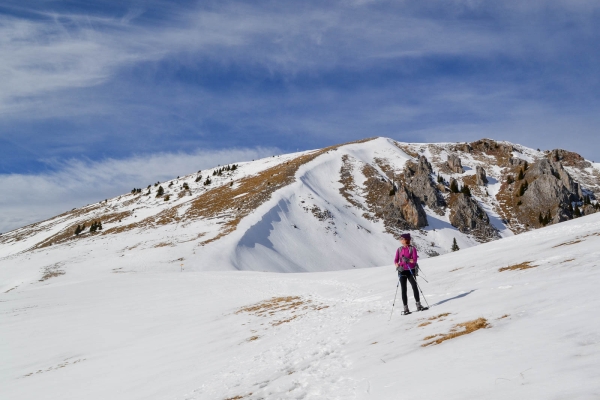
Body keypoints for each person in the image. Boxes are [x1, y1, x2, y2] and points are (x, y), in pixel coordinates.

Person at [394, 233, 424, 314]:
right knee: (404, 289)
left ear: (406, 239)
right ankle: (406, 308)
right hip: (402, 270)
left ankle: (418, 305)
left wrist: (408, 260)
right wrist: (398, 267)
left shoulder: (412, 248)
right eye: (400, 239)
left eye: (402, 239)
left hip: (411, 270)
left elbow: (414, 260)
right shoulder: (399, 249)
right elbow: (396, 260)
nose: (400, 240)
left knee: (414, 286)